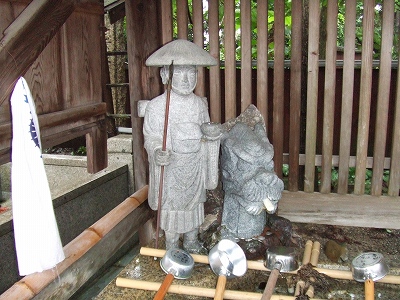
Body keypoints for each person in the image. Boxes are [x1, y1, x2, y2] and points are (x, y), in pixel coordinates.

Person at [141, 40, 221, 254]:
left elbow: (206, 129)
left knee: (194, 207)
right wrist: (158, 151)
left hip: (194, 163)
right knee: (172, 207)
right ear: (166, 75)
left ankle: (192, 241)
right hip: (172, 166)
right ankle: (172, 243)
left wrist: (210, 138)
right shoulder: (158, 107)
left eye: (192, 73)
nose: (187, 80)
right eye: (180, 73)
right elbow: (151, 136)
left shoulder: (199, 104)